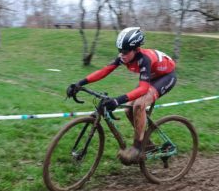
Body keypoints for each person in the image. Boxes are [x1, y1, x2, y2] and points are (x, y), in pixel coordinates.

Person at [67, 27, 177, 165]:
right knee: (128, 109)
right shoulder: (124, 57)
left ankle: (137, 147)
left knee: (138, 104)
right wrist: (80, 83)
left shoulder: (144, 59)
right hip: (152, 77)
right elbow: (104, 71)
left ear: (136, 49)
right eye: (120, 50)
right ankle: (147, 144)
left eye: (125, 51)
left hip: (166, 77)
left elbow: (143, 88)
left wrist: (117, 100)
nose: (122, 55)